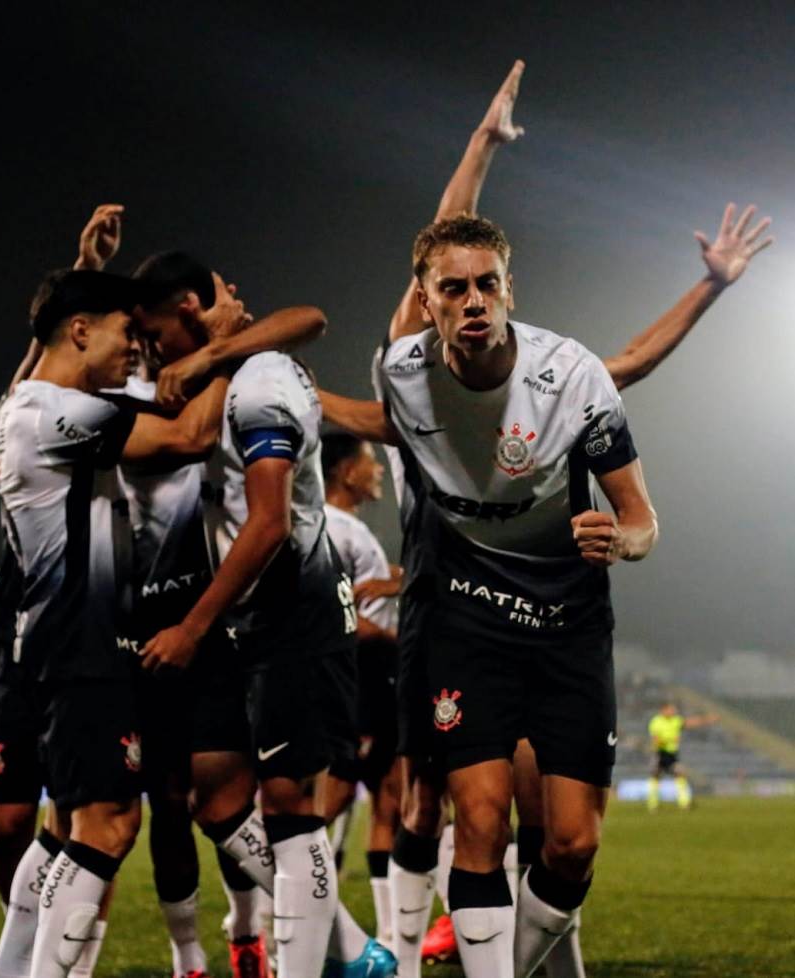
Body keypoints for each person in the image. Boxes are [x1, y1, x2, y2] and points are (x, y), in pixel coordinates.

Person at [320, 60, 772, 978]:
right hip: (454, 607)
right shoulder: (401, 370)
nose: (472, 301)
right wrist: (480, 148)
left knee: (564, 846)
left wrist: (625, 538)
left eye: (488, 285)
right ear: (428, 303)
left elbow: (642, 506)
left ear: (509, 291)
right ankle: (405, 957)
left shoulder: (568, 378)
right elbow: (438, 243)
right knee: (450, 813)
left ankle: (506, 957)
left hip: (564, 616)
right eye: (452, 290)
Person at [0, 265, 245, 978]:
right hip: (80, 642)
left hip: (57, 640)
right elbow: (190, 437)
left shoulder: (21, 404)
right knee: (109, 824)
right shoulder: (56, 412)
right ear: (79, 330)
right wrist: (224, 347)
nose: (134, 349)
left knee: (61, 834)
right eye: (123, 332)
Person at [139, 311, 396, 978]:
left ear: (186, 316)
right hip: (241, 617)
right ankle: (347, 949)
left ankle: (316, 960)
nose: (148, 343)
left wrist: (208, 356)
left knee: (292, 800)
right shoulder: (209, 382)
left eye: (152, 328)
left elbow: (309, 317)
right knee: (217, 796)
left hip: (289, 614)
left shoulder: (258, 378)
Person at [321, 433, 403, 950]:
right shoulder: (332, 527)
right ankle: (268, 914)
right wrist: (401, 641)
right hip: (361, 679)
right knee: (327, 801)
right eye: (370, 464)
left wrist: (401, 581)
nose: (378, 473)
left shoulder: (351, 529)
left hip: (380, 680)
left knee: (391, 801)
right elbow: (337, 614)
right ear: (347, 471)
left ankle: (393, 934)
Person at [647, 702, 718, 811]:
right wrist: (670, 740)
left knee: (680, 775)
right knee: (655, 777)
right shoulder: (656, 722)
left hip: (672, 754)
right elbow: (656, 741)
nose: (673, 712)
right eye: (670, 710)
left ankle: (684, 803)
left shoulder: (675, 720)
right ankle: (653, 804)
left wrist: (707, 719)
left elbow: (691, 722)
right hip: (660, 754)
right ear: (663, 710)